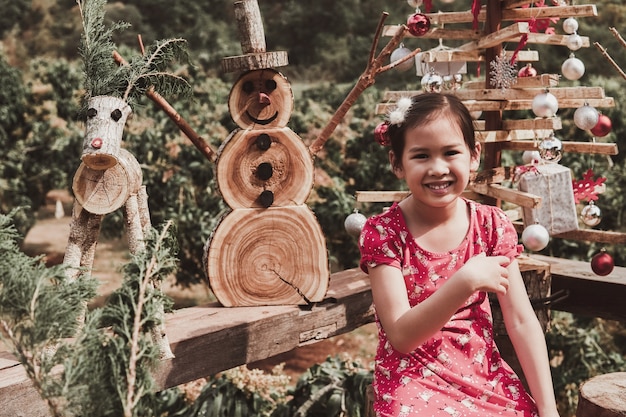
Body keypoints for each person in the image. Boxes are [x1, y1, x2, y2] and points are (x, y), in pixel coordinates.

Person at [359, 93, 560, 417]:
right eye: (421, 156)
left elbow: (522, 321)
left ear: (473, 155)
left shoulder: (491, 225)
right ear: (397, 162)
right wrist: (464, 280)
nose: (438, 169)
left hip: (483, 378)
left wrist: (550, 411)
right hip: (412, 380)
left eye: (451, 152)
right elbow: (400, 336)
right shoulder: (385, 232)